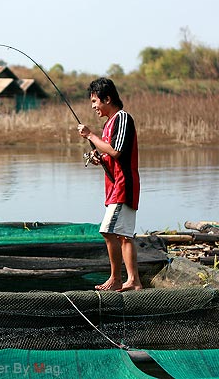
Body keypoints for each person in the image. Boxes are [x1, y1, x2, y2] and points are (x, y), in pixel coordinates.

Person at [77, 77, 142, 291]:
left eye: (95, 101)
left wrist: (90, 135)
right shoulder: (108, 125)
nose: (94, 106)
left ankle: (115, 279)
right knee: (124, 235)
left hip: (124, 186)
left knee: (108, 230)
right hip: (115, 187)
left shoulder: (122, 118)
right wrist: (99, 158)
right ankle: (133, 281)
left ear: (107, 98)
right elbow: (110, 155)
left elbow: (116, 151)